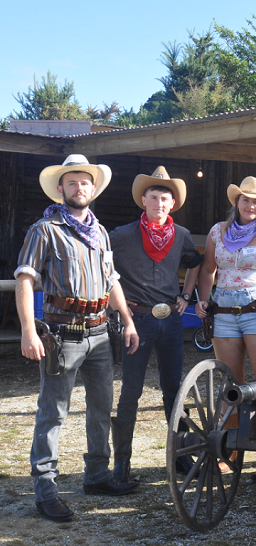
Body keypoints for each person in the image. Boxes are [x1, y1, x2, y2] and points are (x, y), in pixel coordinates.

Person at [15, 154, 140, 522]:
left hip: (101, 332)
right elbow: (24, 279)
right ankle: (46, 489)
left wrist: (128, 320)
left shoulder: (99, 232)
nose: (79, 187)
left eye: (85, 182)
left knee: (102, 408)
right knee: (53, 412)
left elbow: (112, 280)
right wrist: (27, 329)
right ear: (60, 189)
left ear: (93, 188)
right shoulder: (44, 230)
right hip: (62, 333)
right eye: (72, 182)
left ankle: (97, 476)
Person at [195, 176, 256, 480]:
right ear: (236, 202)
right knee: (231, 383)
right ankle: (232, 446)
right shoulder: (217, 232)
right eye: (245, 199)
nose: (251, 205)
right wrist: (203, 299)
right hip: (223, 311)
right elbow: (208, 270)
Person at [109, 167, 203, 481]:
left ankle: (180, 456)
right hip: (137, 319)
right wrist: (120, 309)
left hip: (171, 320)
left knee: (174, 389)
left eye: (165, 198)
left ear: (172, 204)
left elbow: (195, 264)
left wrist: (186, 295)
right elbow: (105, 271)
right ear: (143, 201)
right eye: (154, 197)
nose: (159, 203)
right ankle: (122, 463)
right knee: (130, 391)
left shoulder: (183, 236)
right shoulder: (122, 235)